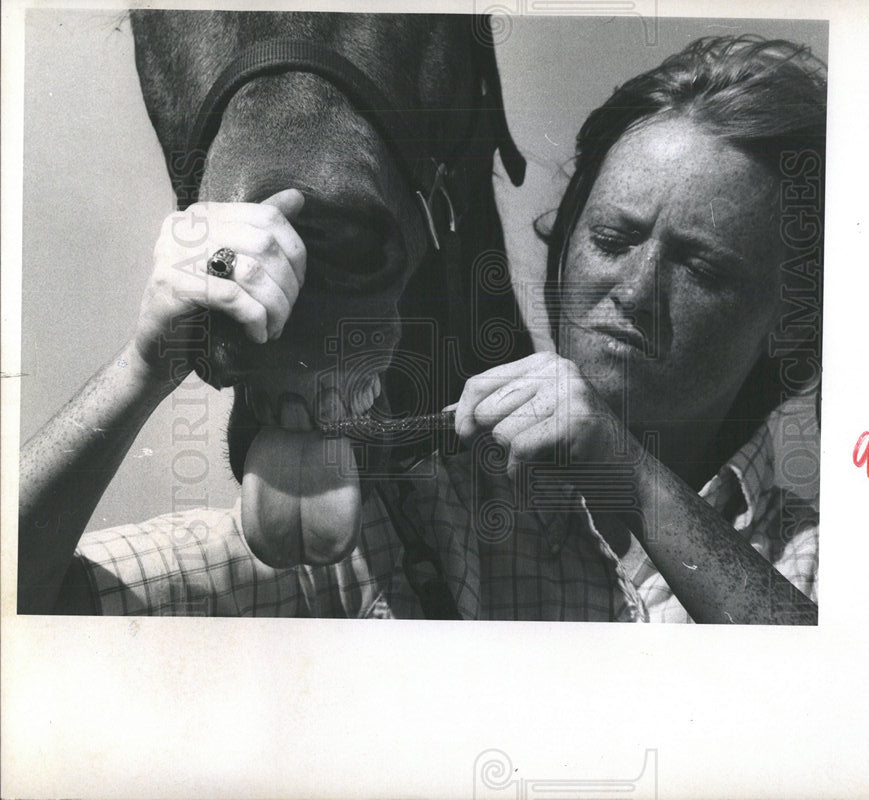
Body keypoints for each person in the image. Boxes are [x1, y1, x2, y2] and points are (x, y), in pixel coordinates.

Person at [19, 35, 825, 623]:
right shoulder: (389, 520)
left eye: (704, 270)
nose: (637, 290)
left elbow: (853, 732)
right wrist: (142, 369)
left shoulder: (837, 563)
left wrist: (625, 471)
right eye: (612, 240)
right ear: (564, 243)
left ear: (787, 329)